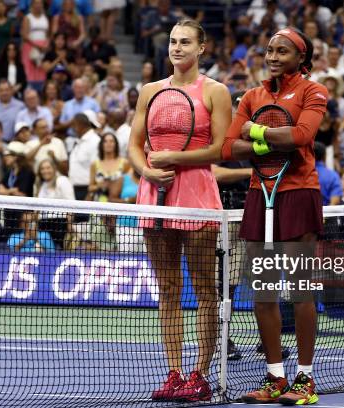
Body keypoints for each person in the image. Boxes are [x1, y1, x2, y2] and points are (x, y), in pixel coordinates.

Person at [221, 27, 327, 405]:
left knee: (300, 290)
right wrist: (264, 136)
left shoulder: (314, 91)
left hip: (299, 192)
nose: (274, 55)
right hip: (259, 194)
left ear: (302, 58)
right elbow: (229, 147)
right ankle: (275, 377)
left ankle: (305, 379)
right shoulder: (252, 95)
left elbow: (300, 136)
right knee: (263, 292)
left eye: (283, 51)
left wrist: (255, 131)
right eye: (270, 50)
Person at [127, 19, 231, 402]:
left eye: (186, 42)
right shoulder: (150, 91)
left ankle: (200, 374)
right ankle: (173, 372)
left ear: (202, 48)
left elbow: (220, 148)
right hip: (155, 192)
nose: (177, 47)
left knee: (204, 289)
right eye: (173, 41)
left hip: (197, 193)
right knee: (168, 288)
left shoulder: (216, 91)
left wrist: (175, 156)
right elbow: (135, 145)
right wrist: (147, 171)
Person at [35, 158, 75, 249]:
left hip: (60, 223)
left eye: (48, 168)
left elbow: (71, 203)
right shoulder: (41, 185)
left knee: (59, 251)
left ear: (54, 168)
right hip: (43, 223)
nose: (45, 171)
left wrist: (69, 224)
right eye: (42, 168)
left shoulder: (62, 180)